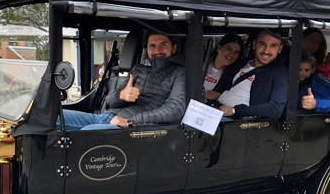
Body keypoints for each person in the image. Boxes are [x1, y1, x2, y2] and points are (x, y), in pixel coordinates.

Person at [58, 26, 186, 130]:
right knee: (50, 117)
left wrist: (131, 121)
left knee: (89, 132)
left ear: (174, 47)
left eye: (164, 44)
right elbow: (109, 101)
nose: (157, 50)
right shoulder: (138, 70)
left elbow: (174, 109)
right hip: (105, 117)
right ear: (147, 50)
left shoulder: (180, 73)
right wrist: (122, 95)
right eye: (152, 46)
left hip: (131, 128)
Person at [208, 29, 289, 119]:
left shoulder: (280, 73)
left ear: (280, 49)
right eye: (262, 44)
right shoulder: (242, 63)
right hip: (216, 108)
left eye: (273, 46)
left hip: (240, 120)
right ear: (254, 45)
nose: (266, 51)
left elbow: (275, 109)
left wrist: (234, 110)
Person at [204, 34, 244, 102]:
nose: (231, 54)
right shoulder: (201, 63)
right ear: (219, 48)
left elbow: (237, 98)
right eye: (228, 49)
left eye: (236, 52)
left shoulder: (234, 75)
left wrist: (219, 96)